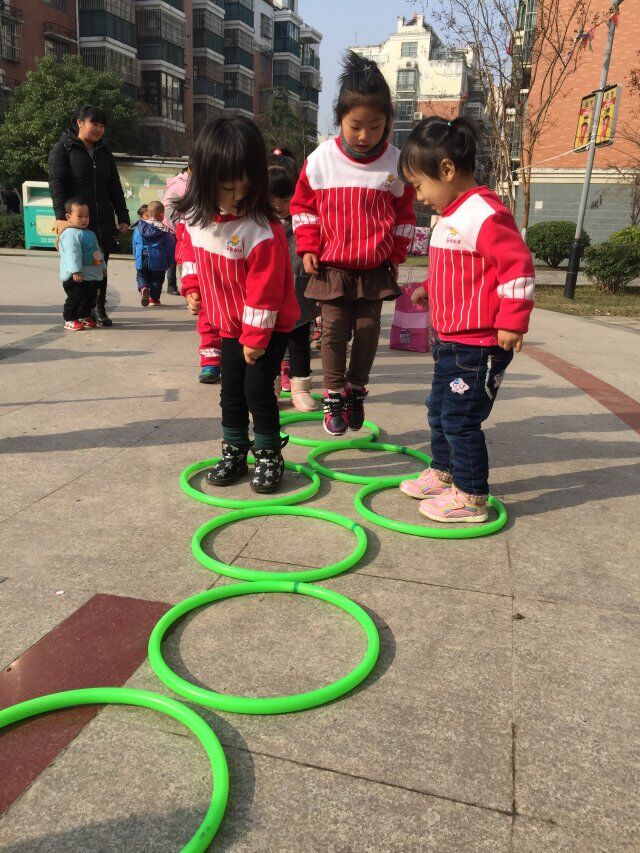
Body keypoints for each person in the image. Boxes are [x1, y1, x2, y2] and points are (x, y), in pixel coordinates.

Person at [398, 116, 535, 523]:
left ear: (446, 169)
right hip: (450, 342)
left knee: (460, 420)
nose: (419, 197)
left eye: (419, 185)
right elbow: (460, 270)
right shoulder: (450, 215)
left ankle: (472, 496)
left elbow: (516, 268)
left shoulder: (484, 213)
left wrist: (513, 319)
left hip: (479, 346)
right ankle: (443, 472)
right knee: (438, 409)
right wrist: (429, 286)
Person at [291, 51, 416, 437]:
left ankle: (355, 391)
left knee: (367, 330)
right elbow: (303, 207)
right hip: (332, 267)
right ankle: (332, 395)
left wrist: (396, 253)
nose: (364, 136)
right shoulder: (321, 159)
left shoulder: (395, 164)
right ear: (340, 119)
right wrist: (308, 246)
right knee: (332, 332)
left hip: (373, 269)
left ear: (388, 122)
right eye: (355, 126)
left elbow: (405, 216)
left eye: (375, 127)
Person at [174, 116, 299, 493]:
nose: (238, 197)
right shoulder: (196, 220)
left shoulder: (260, 230)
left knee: (256, 390)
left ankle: (269, 454)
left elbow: (266, 290)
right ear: (205, 179)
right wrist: (191, 286)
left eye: (246, 186)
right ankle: (234, 451)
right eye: (228, 188)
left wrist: (256, 338)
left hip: (268, 327)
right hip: (228, 324)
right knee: (230, 391)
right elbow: (189, 254)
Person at [48, 105, 130, 327]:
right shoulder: (63, 149)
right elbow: (57, 184)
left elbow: (114, 187)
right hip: (76, 220)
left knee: (99, 264)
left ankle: (98, 306)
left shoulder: (104, 152)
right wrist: (61, 217)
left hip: (102, 219)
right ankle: (77, 311)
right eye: (94, 123)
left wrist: (123, 216)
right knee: (77, 267)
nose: (99, 129)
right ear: (80, 123)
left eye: (102, 125)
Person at [268, 147, 318, 412]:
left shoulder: (304, 220)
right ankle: (270, 386)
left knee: (300, 342)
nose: (279, 205)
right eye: (273, 199)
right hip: (268, 294)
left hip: (299, 290)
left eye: (286, 199)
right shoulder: (259, 221)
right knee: (269, 344)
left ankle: (300, 389)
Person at [166, 163, 222, 383]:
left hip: (235, 283)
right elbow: (189, 257)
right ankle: (210, 361)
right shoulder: (191, 219)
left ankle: (236, 361)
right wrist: (191, 288)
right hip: (207, 281)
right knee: (207, 321)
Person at [57, 198, 106, 331]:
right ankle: (70, 319)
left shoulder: (90, 233)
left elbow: (97, 252)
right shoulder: (70, 234)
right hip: (75, 276)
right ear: (68, 217)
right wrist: (76, 271)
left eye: (86, 216)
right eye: (79, 216)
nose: (84, 219)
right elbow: (72, 254)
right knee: (76, 297)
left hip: (91, 275)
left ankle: (84, 315)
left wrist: (102, 267)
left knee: (90, 297)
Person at [132, 200, 175, 307]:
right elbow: (170, 247)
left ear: (148, 213)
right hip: (158, 259)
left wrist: (136, 256)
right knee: (157, 280)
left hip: (141, 258)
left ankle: (144, 288)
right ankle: (154, 299)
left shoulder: (139, 228)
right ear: (162, 214)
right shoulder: (165, 230)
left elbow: (135, 243)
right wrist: (170, 261)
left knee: (141, 276)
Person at [162, 165, 189, 296]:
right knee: (177, 257)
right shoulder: (183, 185)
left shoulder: (182, 182)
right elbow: (191, 204)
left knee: (176, 257)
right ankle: (173, 285)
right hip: (174, 226)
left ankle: (174, 285)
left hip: (174, 224)